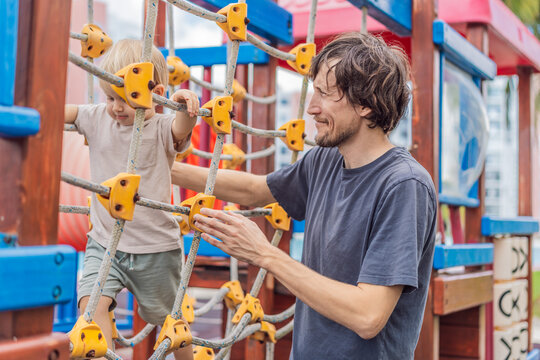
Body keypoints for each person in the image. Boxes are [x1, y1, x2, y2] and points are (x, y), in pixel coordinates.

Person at [172, 32, 437, 359]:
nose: (311, 108)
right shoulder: (326, 158)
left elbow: (368, 316)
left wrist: (264, 254)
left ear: (366, 104)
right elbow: (256, 189)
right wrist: (165, 168)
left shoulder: (404, 185)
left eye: (325, 94)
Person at [65, 39, 198, 359]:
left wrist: (184, 103)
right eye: (109, 96)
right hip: (104, 240)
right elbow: (58, 111)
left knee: (172, 322)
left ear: (157, 93)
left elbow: (183, 127)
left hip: (155, 248)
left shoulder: (162, 127)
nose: (116, 107)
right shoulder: (97, 117)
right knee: (89, 308)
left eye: (125, 98)